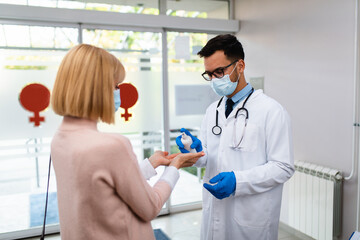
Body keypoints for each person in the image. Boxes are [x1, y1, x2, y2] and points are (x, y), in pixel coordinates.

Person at [51, 44, 204, 240]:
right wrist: (175, 166)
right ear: (96, 88)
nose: (119, 94)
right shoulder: (112, 146)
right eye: (116, 86)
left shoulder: (60, 139)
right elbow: (150, 207)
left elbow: (103, 187)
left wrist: (152, 163)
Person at [176, 34, 294, 240]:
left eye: (220, 71)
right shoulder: (213, 110)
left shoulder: (272, 111)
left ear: (240, 66)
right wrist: (194, 151)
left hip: (250, 219)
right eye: (209, 74)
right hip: (214, 216)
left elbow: (283, 167)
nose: (214, 80)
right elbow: (208, 157)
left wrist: (237, 181)